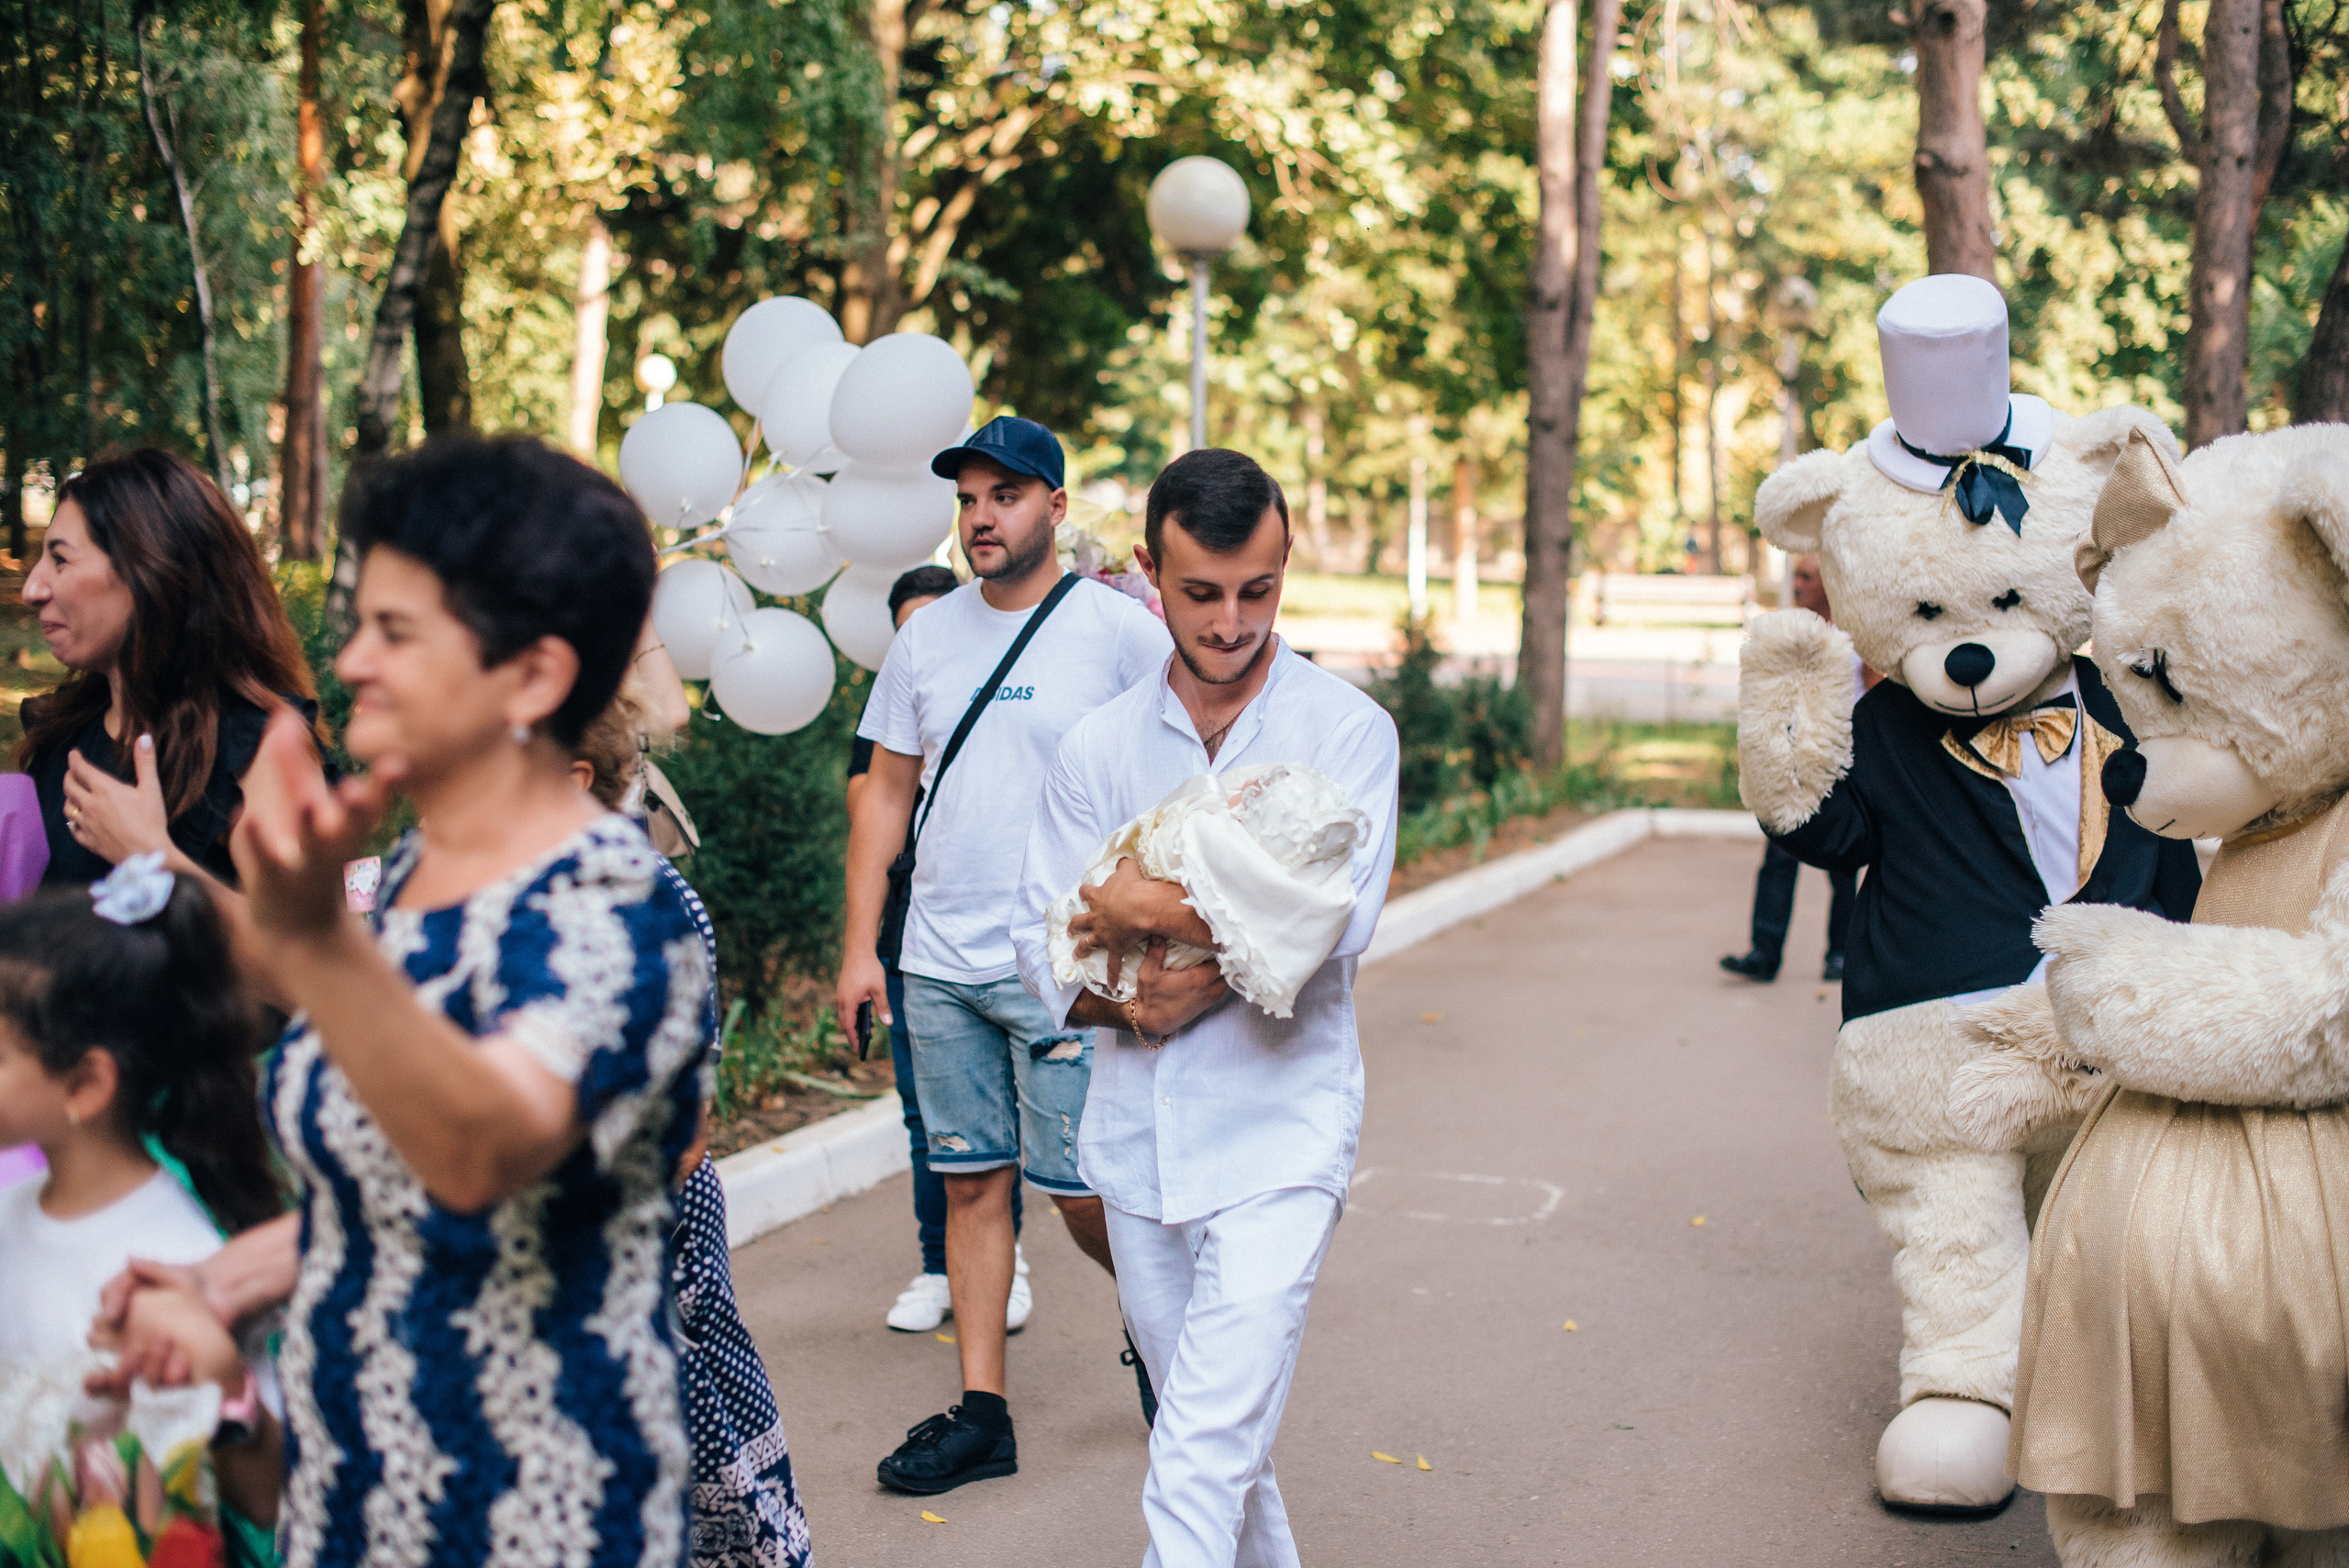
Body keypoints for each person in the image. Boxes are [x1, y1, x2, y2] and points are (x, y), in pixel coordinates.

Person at [128, 432, 708, 1568]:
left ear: (533, 675)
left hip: (532, 1519)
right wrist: (227, 1276)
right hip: (354, 1501)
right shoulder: (406, 878)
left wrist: (311, 942)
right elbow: (394, 1164)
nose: (350, 661)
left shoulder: (621, 906)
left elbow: (478, 1149)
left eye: (395, 632)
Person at [1012, 448, 1399, 1568]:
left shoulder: (1345, 730)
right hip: (1135, 1149)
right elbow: (1045, 950)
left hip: (1283, 1133)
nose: (1232, 621)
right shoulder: (1097, 745)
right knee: (1217, 1438)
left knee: (1197, 1445)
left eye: (1259, 589)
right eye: (1201, 592)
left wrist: (1138, 901)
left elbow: (1329, 924)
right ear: (1148, 571)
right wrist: (1136, 998)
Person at [837, 415, 1172, 1495]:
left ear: (1055, 509)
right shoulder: (928, 636)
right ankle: (984, 1411)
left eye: (1006, 496)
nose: (982, 517)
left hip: (1063, 963)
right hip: (937, 957)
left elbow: (1179, 768)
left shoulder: (1116, 634)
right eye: (969, 499)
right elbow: (884, 792)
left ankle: (1180, 1346)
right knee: (968, 1185)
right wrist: (858, 951)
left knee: (1084, 1193)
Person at [572, 686, 812, 1568]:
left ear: (572, 779)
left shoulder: (655, 906)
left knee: (688, 1419)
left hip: (647, 1218)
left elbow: (682, 1130)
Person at [0, 860, 287, 1542]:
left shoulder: (179, 1266)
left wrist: (218, 1383)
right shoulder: (14, 1210)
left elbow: (271, 1504)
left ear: (86, 1083)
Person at [843, 562, 1032, 1335]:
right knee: (929, 1119)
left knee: (1017, 1124)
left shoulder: (1003, 684)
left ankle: (1005, 1257)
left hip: (1005, 935)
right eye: (905, 630)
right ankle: (937, 1264)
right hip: (910, 933)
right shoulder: (899, 695)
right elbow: (866, 797)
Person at [18, 446, 327, 887]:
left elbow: (305, 949)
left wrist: (154, 859)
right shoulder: (61, 733)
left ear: (150, 573)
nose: (32, 588)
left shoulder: (259, 751)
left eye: (61, 559)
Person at [1720, 553, 1867, 984]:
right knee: (1779, 854)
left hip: (1841, 761)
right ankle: (1763, 955)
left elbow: (1873, 697)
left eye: (1806, 576)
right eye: (1796, 576)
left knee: (1843, 864)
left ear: (1827, 583)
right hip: (1790, 760)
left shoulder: (1855, 633)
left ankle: (1839, 953)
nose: (1798, 584)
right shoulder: (1787, 630)